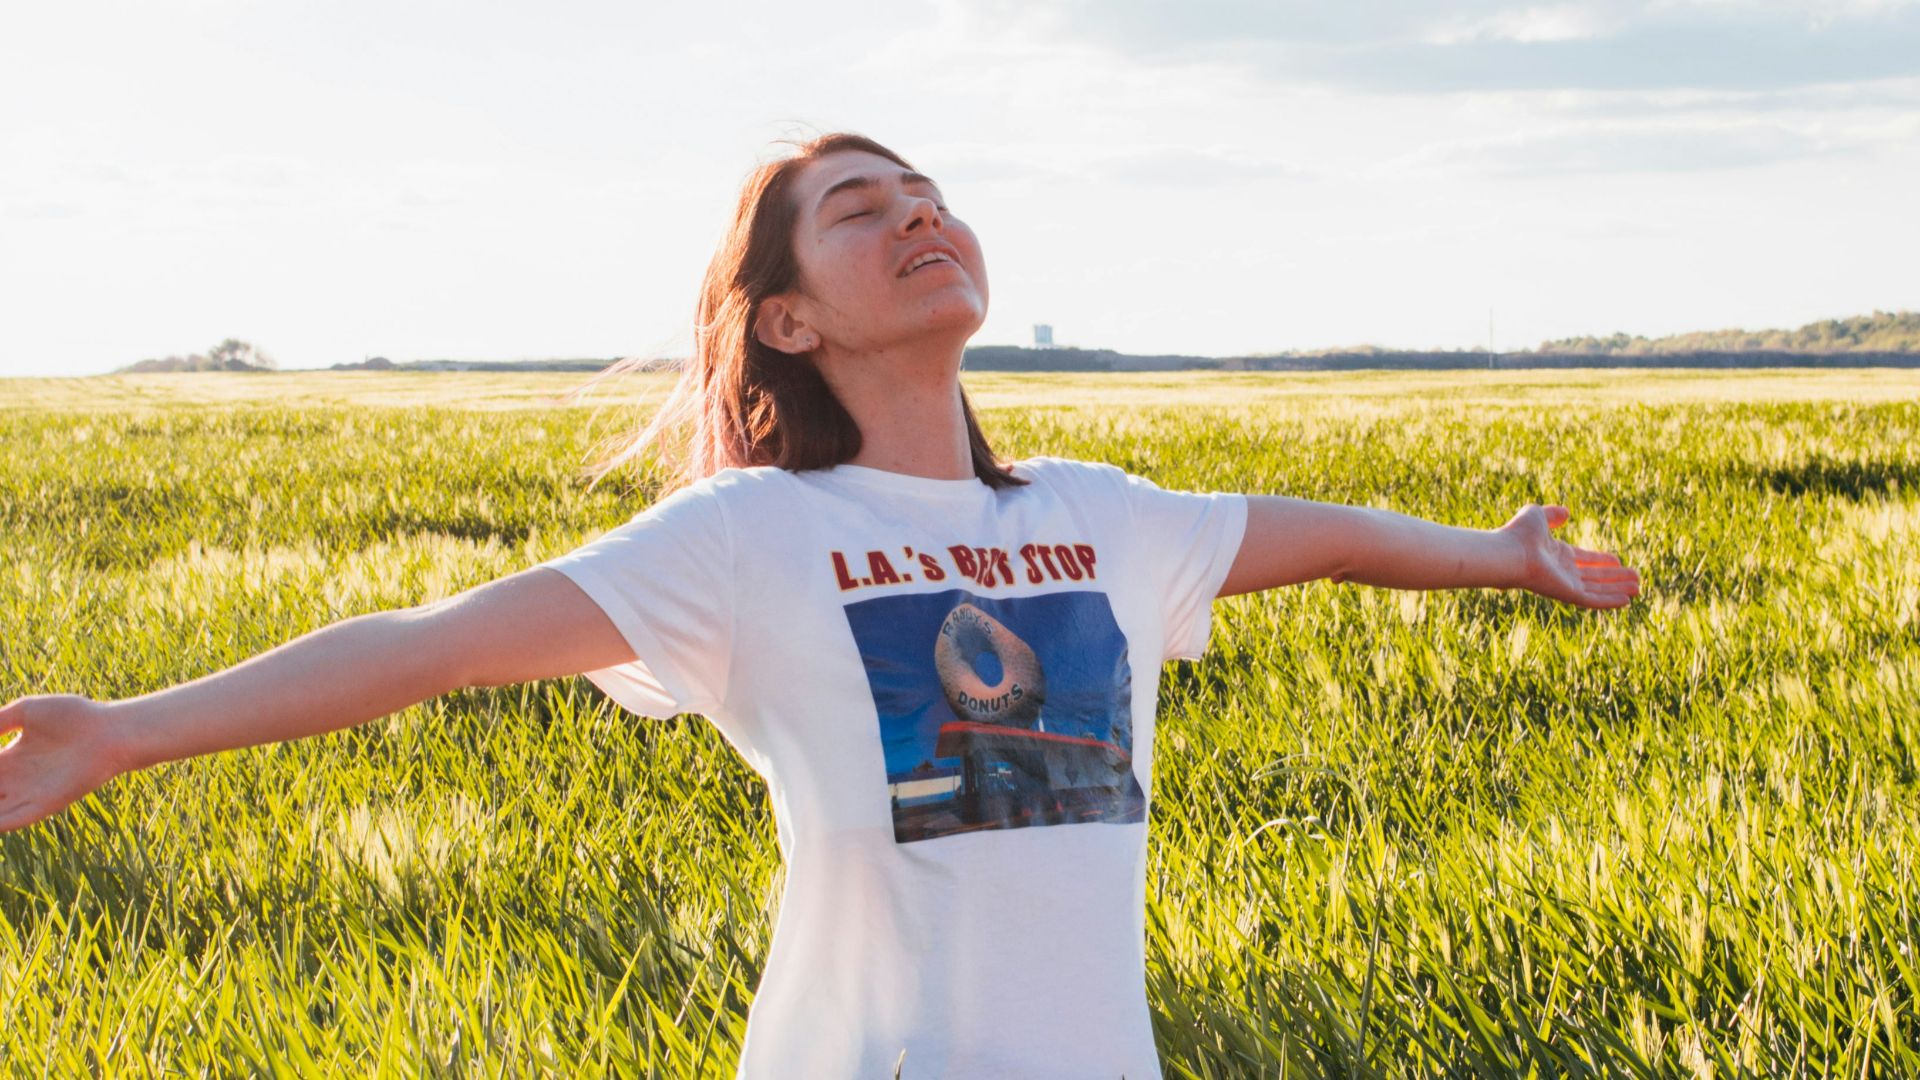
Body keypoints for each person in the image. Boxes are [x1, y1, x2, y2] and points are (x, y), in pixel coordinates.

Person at [0, 131, 1642, 1077]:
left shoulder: (1097, 520)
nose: (917, 212)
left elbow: (1331, 534)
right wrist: (125, 732)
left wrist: (1505, 553)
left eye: (925, 191)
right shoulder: (747, 540)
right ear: (783, 321)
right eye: (860, 208)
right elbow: (428, 653)